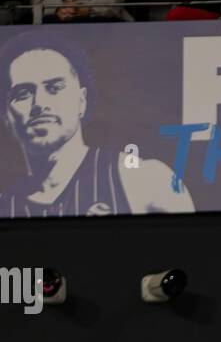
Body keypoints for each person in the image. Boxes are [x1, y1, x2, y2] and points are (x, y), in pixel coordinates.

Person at [0, 33, 195, 217]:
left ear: (81, 101)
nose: (39, 103)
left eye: (55, 88)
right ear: (5, 115)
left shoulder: (144, 179)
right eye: (22, 94)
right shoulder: (5, 206)